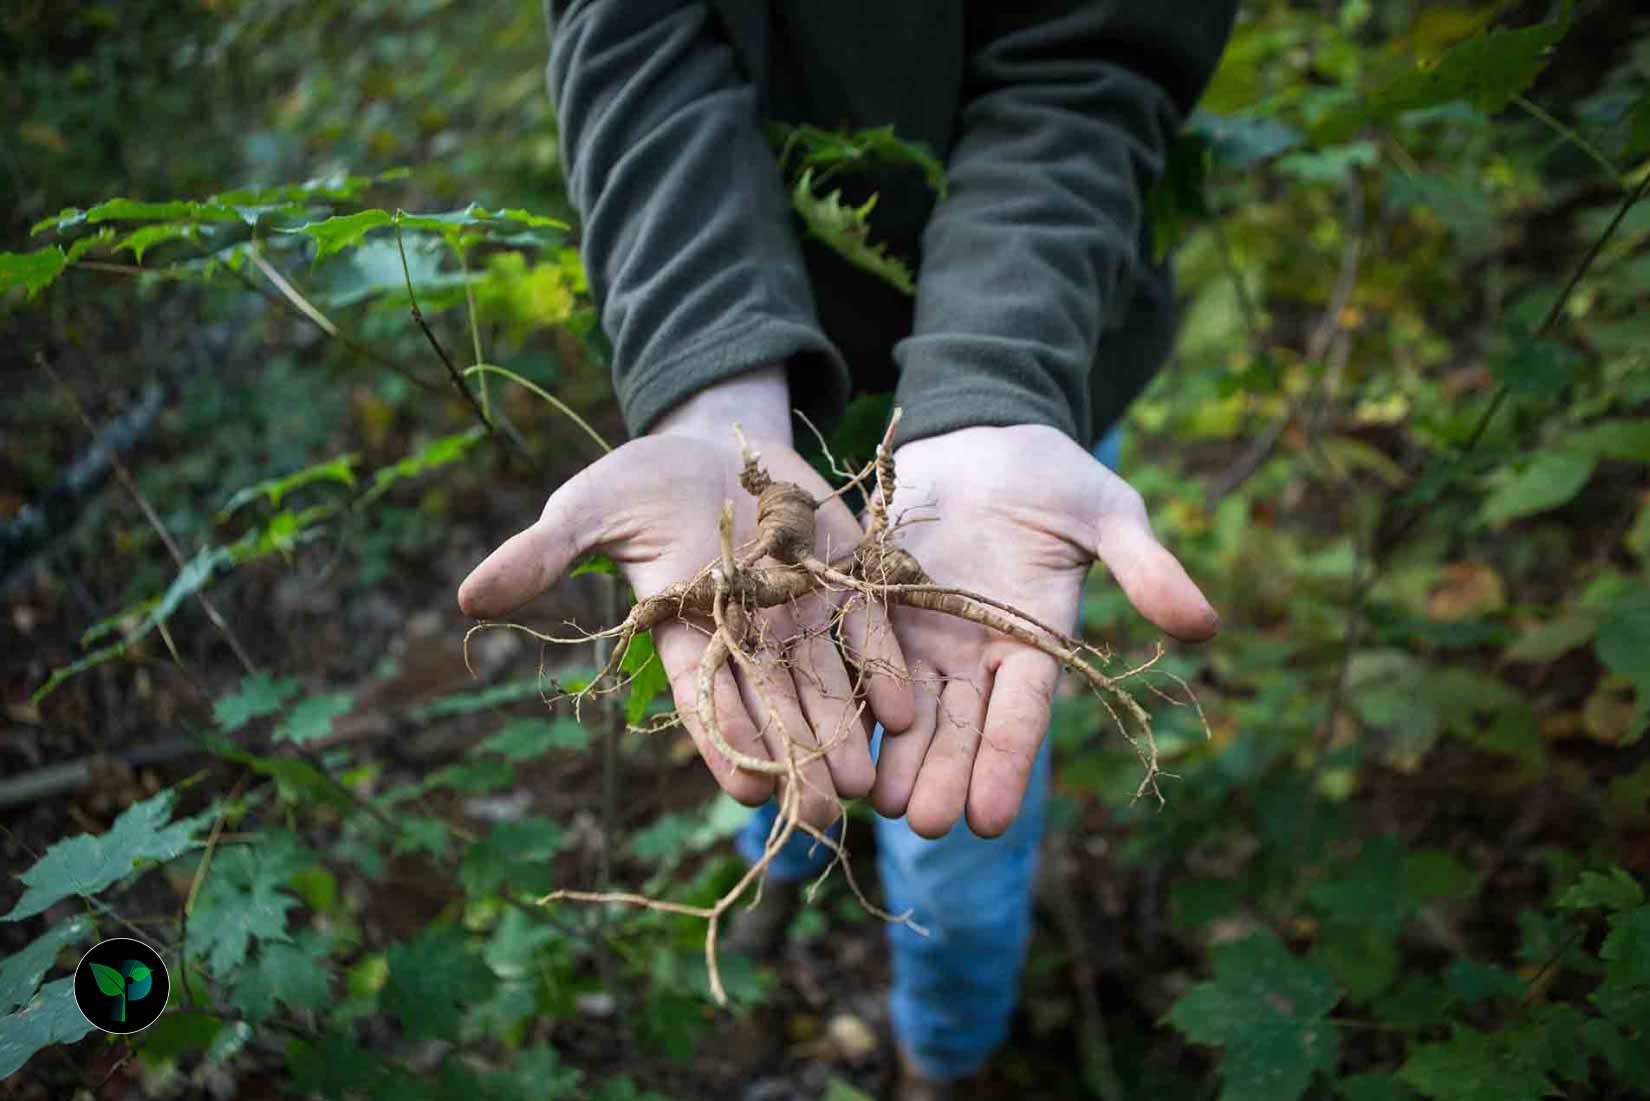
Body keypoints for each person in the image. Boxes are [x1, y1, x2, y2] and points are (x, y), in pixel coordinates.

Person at [458, 2, 1235, 1095]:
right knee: (778, 701)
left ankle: (944, 1056)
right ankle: (784, 865)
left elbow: (1089, 65)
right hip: (758, 389)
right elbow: (630, 34)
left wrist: (993, 384)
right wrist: (708, 384)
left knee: (955, 836)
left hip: (1023, 398)